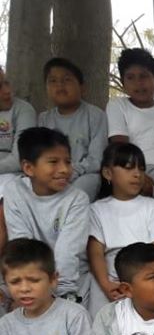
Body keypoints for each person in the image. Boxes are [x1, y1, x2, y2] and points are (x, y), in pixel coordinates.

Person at [1, 127, 89, 302]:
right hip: (26, 276)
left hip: (67, 280)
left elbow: (67, 252)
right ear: (28, 168)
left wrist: (57, 294)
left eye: (68, 162)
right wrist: (27, 289)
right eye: (53, 162)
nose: (64, 169)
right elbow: (21, 244)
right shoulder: (14, 191)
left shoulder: (77, 199)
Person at [87, 142, 154, 317]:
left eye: (141, 169)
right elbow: (95, 252)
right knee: (104, 318)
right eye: (128, 168)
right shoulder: (97, 209)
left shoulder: (152, 206)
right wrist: (106, 284)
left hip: (146, 272)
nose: (137, 174)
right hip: (109, 276)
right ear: (107, 173)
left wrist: (142, 281)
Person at [105, 48, 154, 202]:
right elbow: (120, 145)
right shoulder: (118, 106)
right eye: (130, 78)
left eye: (144, 76)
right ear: (123, 83)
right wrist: (138, 173)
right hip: (132, 166)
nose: (138, 83)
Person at [38, 57, 107, 201]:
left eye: (67, 80)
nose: (60, 85)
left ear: (82, 88)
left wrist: (71, 171)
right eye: (53, 81)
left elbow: (96, 158)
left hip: (84, 175)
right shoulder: (44, 119)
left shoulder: (95, 115)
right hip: (51, 174)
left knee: (80, 191)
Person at [0, 67, 37, 176]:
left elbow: (20, 159)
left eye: (7, 83)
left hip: (11, 178)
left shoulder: (23, 110)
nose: (7, 91)